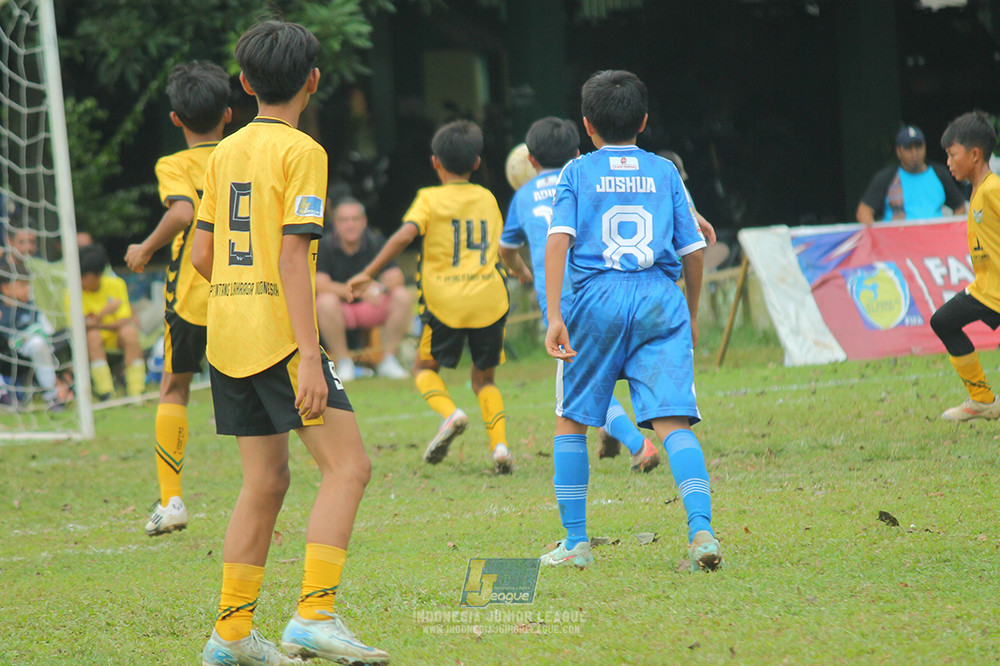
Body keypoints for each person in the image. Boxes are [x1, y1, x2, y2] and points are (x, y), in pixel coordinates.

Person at [190, 20, 388, 665]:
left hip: (227, 334)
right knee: (348, 466)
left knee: (265, 482)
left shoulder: (222, 151)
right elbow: (294, 256)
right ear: (314, 80)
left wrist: (239, 291)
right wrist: (309, 352)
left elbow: (200, 255)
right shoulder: (303, 151)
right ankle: (314, 615)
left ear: (243, 84)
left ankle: (230, 635)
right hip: (279, 338)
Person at [541, 70, 722, 572]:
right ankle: (701, 530)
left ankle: (576, 543)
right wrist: (689, 310)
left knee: (571, 419)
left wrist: (555, 314)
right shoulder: (666, 172)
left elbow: (558, 239)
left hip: (595, 300)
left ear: (586, 125)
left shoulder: (575, 172)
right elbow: (694, 246)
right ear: (643, 121)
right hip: (659, 300)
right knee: (673, 421)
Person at [347, 119, 515, 474]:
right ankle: (500, 448)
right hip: (488, 300)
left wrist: (368, 272)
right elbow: (501, 248)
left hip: (446, 304)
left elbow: (405, 236)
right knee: (484, 379)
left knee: (424, 368)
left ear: (435, 162)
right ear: (477, 164)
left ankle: (451, 414)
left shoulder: (429, 198)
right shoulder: (487, 197)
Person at [499, 117, 661, 472]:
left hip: (564, 306)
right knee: (593, 378)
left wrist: (520, 271)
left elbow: (506, 249)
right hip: (608, 292)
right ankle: (624, 437)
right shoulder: (587, 178)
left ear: (530, 161)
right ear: (577, 152)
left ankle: (639, 443)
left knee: (577, 391)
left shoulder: (523, 196)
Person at [123, 60, 232, 537]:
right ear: (229, 114)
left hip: (192, 293)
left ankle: (172, 502)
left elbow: (184, 211)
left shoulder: (175, 164)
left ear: (175, 119)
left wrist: (146, 247)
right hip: (245, 289)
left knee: (175, 388)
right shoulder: (242, 155)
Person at [929, 111, 1000, 421]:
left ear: (974, 154)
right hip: (986, 289)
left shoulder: (993, 189)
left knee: (943, 322)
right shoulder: (976, 191)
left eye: (952, 154)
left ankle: (983, 400)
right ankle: (982, 399)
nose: (948, 161)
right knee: (943, 322)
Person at [315, 196, 412, 381]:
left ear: (364, 221)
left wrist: (379, 288)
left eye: (355, 219)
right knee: (325, 302)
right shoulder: (324, 245)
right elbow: (320, 284)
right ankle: (344, 363)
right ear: (335, 223)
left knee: (402, 296)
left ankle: (388, 360)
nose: (350, 225)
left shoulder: (376, 241)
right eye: (344, 220)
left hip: (373, 305)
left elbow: (396, 278)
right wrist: (357, 290)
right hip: (341, 310)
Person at [856, 125, 967, 225]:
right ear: (898, 151)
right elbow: (864, 212)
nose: (914, 153)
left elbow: (960, 207)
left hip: (935, 243)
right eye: (908, 148)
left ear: (924, 147)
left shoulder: (940, 173)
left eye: (918, 146)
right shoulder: (887, 177)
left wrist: (950, 235)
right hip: (898, 244)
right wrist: (879, 240)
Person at [78, 243, 145, 400]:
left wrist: (95, 322)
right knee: (93, 336)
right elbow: (79, 326)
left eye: (84, 278)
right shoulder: (73, 292)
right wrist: (105, 312)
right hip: (90, 341)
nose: (80, 282)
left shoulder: (116, 284)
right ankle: (106, 392)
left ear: (98, 275)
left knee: (130, 333)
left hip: (116, 337)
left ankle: (137, 391)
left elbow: (125, 320)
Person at [0, 262, 64, 410]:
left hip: (26, 356)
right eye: (22, 286)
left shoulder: (31, 308)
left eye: (28, 285)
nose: (28, 290)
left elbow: (46, 331)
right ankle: (3, 394)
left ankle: (51, 395)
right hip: (5, 357)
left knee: (38, 344)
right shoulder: (2, 310)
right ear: (6, 288)